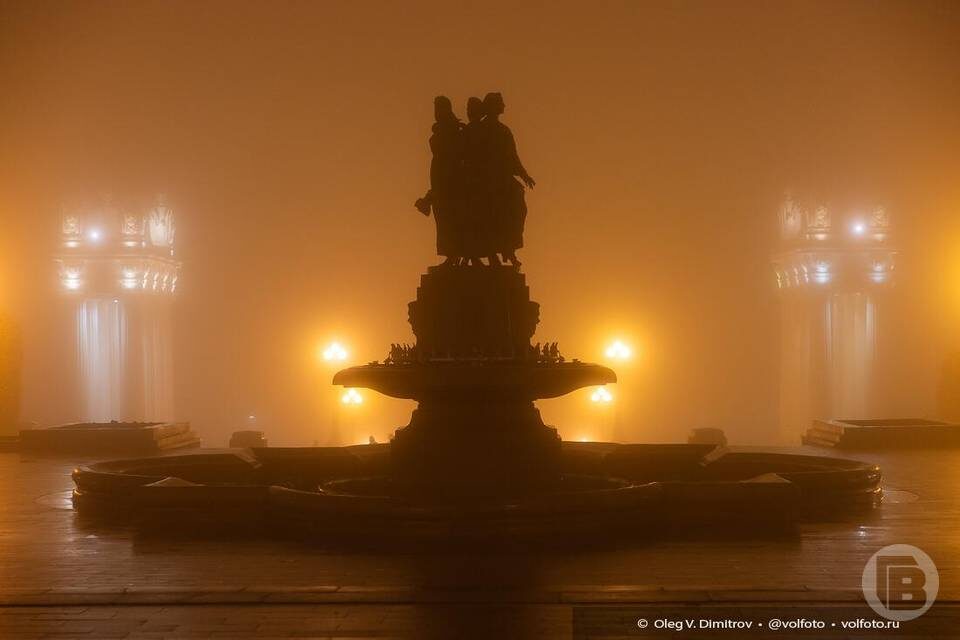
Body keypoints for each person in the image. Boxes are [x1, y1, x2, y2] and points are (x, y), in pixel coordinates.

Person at [479, 92, 534, 268]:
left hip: (503, 179)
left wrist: (524, 175)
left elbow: (512, 157)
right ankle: (497, 250)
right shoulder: (481, 129)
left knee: (518, 211)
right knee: (495, 215)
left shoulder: (503, 130)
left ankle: (508, 248)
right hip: (487, 180)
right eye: (501, 103)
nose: (504, 106)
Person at [415, 96, 464, 265]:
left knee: (449, 216)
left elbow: (455, 154)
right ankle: (451, 254)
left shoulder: (451, 129)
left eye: (438, 108)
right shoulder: (443, 129)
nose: (435, 112)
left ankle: (454, 254)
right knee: (442, 217)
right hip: (439, 174)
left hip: (449, 175)